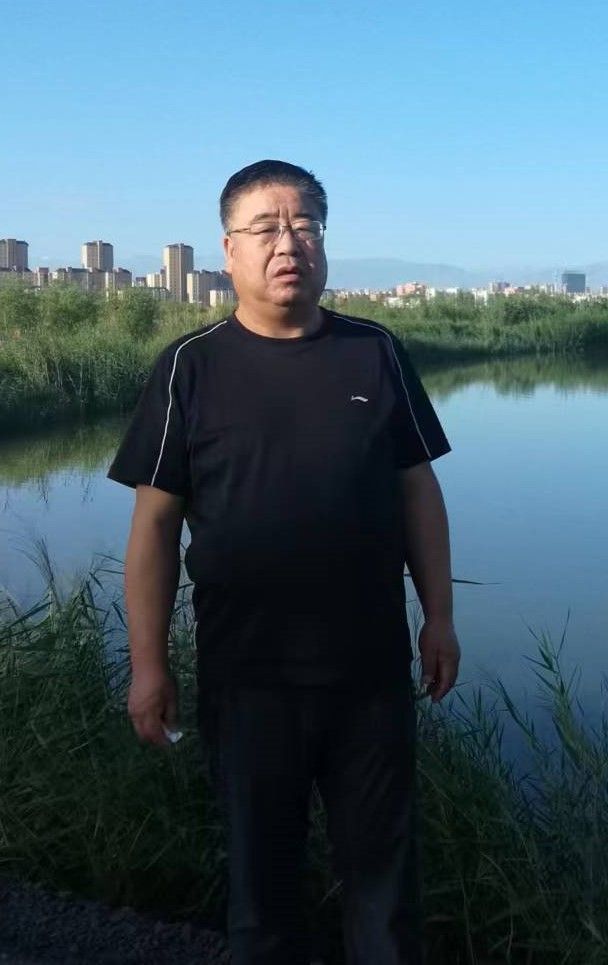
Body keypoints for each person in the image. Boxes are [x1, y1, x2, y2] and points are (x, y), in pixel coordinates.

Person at [107, 159, 461, 965]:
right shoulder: (190, 366)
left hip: (370, 675)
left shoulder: (375, 351)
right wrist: (148, 664)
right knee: (261, 902)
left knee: (385, 901)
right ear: (228, 250)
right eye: (265, 227)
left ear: (324, 243)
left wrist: (439, 616)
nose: (287, 243)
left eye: (304, 225)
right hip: (248, 679)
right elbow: (154, 528)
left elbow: (419, 492)